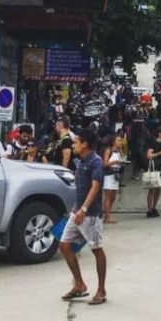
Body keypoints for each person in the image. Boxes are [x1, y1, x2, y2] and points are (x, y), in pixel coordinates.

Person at [59, 129, 108, 306]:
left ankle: (101, 290)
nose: (73, 146)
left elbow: (95, 187)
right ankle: (79, 284)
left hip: (90, 214)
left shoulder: (96, 162)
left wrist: (84, 209)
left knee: (97, 249)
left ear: (85, 144)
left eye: (76, 142)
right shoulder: (81, 161)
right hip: (77, 211)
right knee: (64, 245)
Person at [144, 124, 161, 218]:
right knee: (152, 189)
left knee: (158, 188)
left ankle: (154, 207)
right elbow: (149, 155)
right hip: (153, 167)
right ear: (159, 134)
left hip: (159, 166)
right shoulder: (153, 142)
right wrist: (160, 153)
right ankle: (149, 209)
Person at [102, 132, 125, 224]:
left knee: (113, 197)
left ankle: (107, 214)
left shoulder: (119, 151)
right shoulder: (108, 151)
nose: (120, 142)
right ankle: (107, 217)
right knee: (108, 196)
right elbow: (105, 163)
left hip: (116, 174)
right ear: (113, 142)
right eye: (118, 141)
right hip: (109, 174)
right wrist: (115, 161)